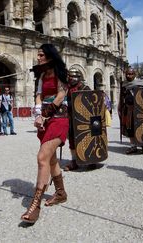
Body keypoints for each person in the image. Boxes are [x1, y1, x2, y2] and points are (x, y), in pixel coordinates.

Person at [21, 43, 69, 223]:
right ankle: (61, 193)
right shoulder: (41, 75)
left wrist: (45, 115)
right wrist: (37, 112)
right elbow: (39, 95)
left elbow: (60, 96)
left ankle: (35, 205)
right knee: (51, 158)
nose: (38, 58)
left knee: (42, 157)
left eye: (41, 55)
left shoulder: (61, 73)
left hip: (59, 119)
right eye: (38, 55)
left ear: (49, 56)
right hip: (45, 120)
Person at [62, 68, 92, 171]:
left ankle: (90, 159)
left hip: (84, 119)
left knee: (86, 138)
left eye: (73, 76)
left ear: (78, 78)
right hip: (71, 118)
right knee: (72, 140)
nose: (70, 78)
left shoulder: (85, 88)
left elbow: (92, 104)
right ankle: (74, 160)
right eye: (69, 76)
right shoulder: (66, 89)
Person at [118, 68, 143, 154]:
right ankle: (133, 146)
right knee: (130, 128)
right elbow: (122, 97)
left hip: (140, 110)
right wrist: (119, 107)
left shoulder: (142, 84)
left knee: (142, 127)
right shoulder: (124, 85)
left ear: (134, 74)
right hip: (129, 109)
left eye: (131, 74)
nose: (129, 75)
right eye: (127, 74)